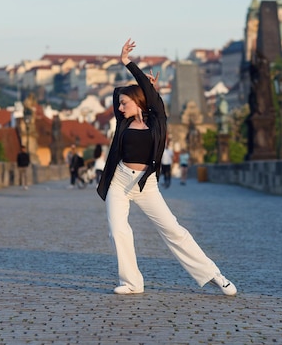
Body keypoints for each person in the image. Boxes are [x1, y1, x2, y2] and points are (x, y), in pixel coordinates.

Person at [96, 38, 237, 296]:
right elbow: (126, 97)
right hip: (119, 181)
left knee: (173, 231)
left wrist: (128, 62)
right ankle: (132, 282)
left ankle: (214, 275)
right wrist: (127, 69)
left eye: (124, 103)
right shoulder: (123, 121)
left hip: (145, 185)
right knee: (118, 230)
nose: (120, 107)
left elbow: (152, 100)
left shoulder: (157, 121)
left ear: (138, 103)